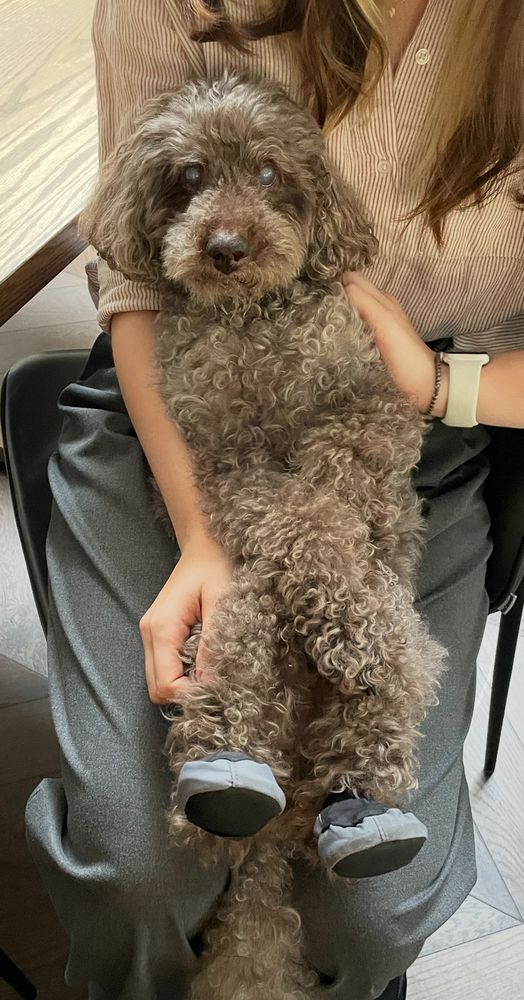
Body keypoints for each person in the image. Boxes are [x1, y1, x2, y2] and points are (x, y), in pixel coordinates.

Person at [25, 2, 523, 999]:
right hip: (175, 411)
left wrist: (438, 386)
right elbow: (133, 279)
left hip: (405, 438)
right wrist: (203, 537)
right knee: (138, 870)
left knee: (372, 908)